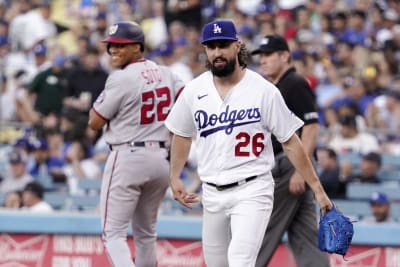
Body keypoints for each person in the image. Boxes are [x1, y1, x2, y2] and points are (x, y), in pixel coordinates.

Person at [165, 20, 332, 267]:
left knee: (241, 261)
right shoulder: (194, 90)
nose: (217, 52)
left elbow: (291, 142)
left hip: (252, 189)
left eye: (223, 45)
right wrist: (175, 175)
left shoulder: (264, 90)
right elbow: (181, 134)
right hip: (212, 191)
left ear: (237, 46)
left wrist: (317, 189)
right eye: (211, 47)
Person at [88, 21, 184, 267]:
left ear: (138, 47)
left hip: (128, 156)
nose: (113, 51)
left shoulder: (120, 78)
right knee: (146, 234)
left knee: (113, 234)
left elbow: (95, 122)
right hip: (160, 159)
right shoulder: (168, 73)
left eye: (121, 46)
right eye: (110, 47)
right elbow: (186, 105)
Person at [251, 34, 331, 267]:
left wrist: (300, 171)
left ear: (285, 56)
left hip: (290, 165)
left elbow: (312, 127)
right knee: (304, 234)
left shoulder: (294, 83)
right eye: (261, 56)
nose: (263, 60)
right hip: (292, 166)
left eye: (268, 55)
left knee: (261, 230)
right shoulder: (278, 86)